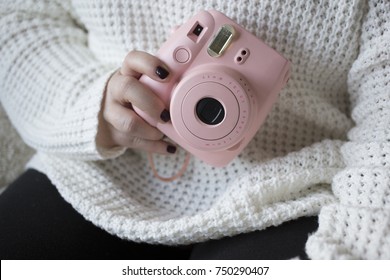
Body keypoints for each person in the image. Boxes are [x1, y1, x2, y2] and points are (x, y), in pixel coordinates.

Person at [0, 0, 389, 259]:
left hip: (293, 190)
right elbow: (19, 18)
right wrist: (93, 105)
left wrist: (355, 249)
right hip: (98, 172)